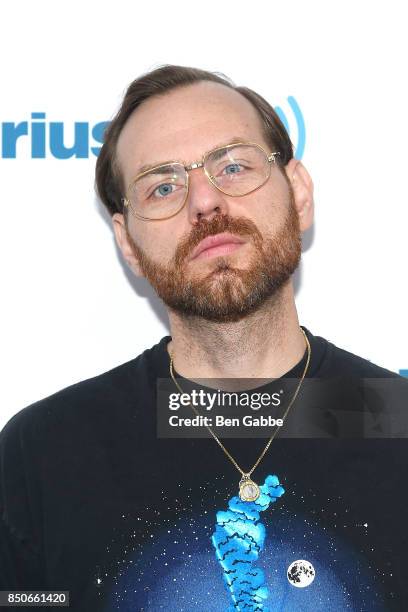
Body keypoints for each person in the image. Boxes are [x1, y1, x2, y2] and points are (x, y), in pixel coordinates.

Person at [0, 65, 407, 612]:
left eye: (233, 166)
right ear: (128, 243)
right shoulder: (43, 455)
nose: (205, 203)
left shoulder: (395, 422)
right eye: (163, 186)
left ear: (299, 193)